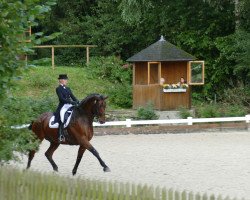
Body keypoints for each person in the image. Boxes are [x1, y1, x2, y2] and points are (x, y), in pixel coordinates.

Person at [54, 74, 79, 142]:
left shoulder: (68, 88)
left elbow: (72, 96)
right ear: (61, 80)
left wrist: (77, 101)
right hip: (63, 106)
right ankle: (60, 135)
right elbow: (61, 99)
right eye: (65, 79)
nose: (66, 81)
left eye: (66, 79)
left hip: (70, 105)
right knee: (62, 117)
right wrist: (71, 102)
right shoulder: (58, 89)